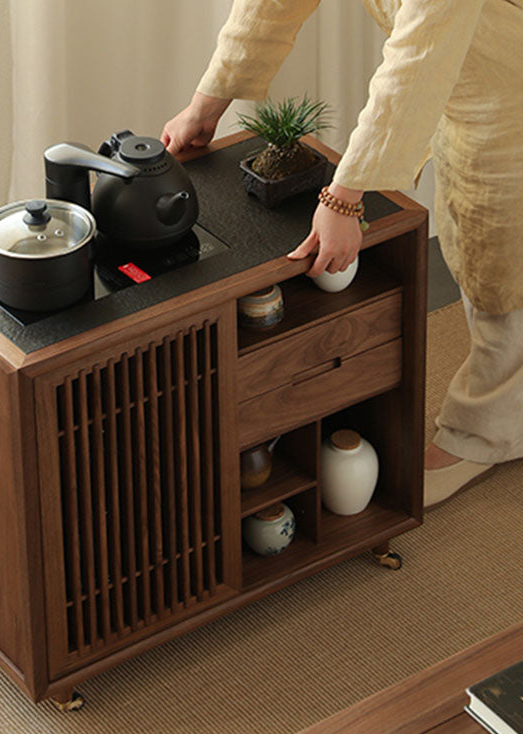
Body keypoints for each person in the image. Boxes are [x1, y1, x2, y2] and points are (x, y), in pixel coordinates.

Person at [161, 0, 523, 510]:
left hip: (508, 76)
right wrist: (207, 103)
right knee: (481, 237)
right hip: (466, 74)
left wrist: (343, 196)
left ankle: (488, 432)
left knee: (500, 251)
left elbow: (418, 53)